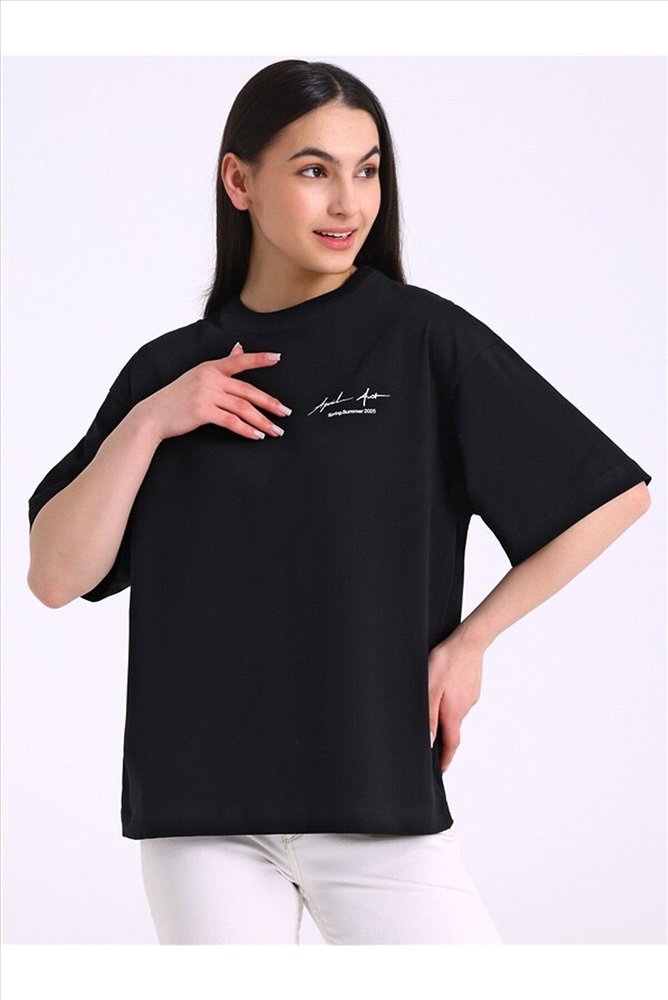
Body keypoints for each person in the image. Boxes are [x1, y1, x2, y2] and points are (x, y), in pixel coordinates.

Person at [27, 59, 652, 946]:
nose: (349, 202)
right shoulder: (166, 373)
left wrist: (471, 641)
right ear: (239, 181)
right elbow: (56, 576)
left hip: (375, 795)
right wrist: (152, 421)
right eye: (315, 170)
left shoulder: (422, 340)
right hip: (201, 815)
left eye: (367, 170)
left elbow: (612, 497)